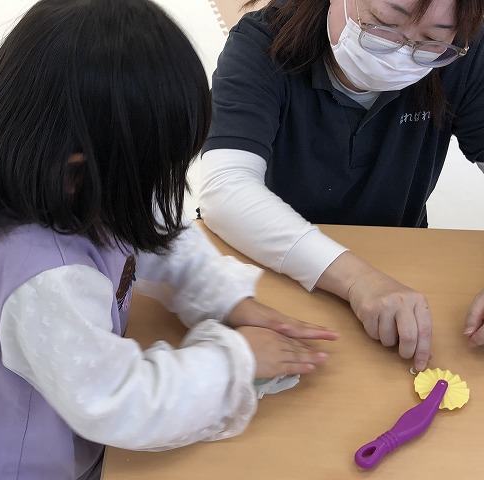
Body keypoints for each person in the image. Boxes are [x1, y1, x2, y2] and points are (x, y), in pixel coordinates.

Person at [0, 1, 339, 479]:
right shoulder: (45, 276)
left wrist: (226, 299)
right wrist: (236, 361)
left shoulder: (63, 178)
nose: (156, 186)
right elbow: (119, 401)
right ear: (82, 163)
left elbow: (157, 235)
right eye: (154, 166)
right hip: (12, 465)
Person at [198, 0, 484, 371]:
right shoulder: (264, 44)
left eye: (432, 40)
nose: (401, 54)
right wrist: (357, 279)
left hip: (396, 257)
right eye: (383, 24)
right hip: (265, 257)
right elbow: (225, 188)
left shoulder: (462, 49)